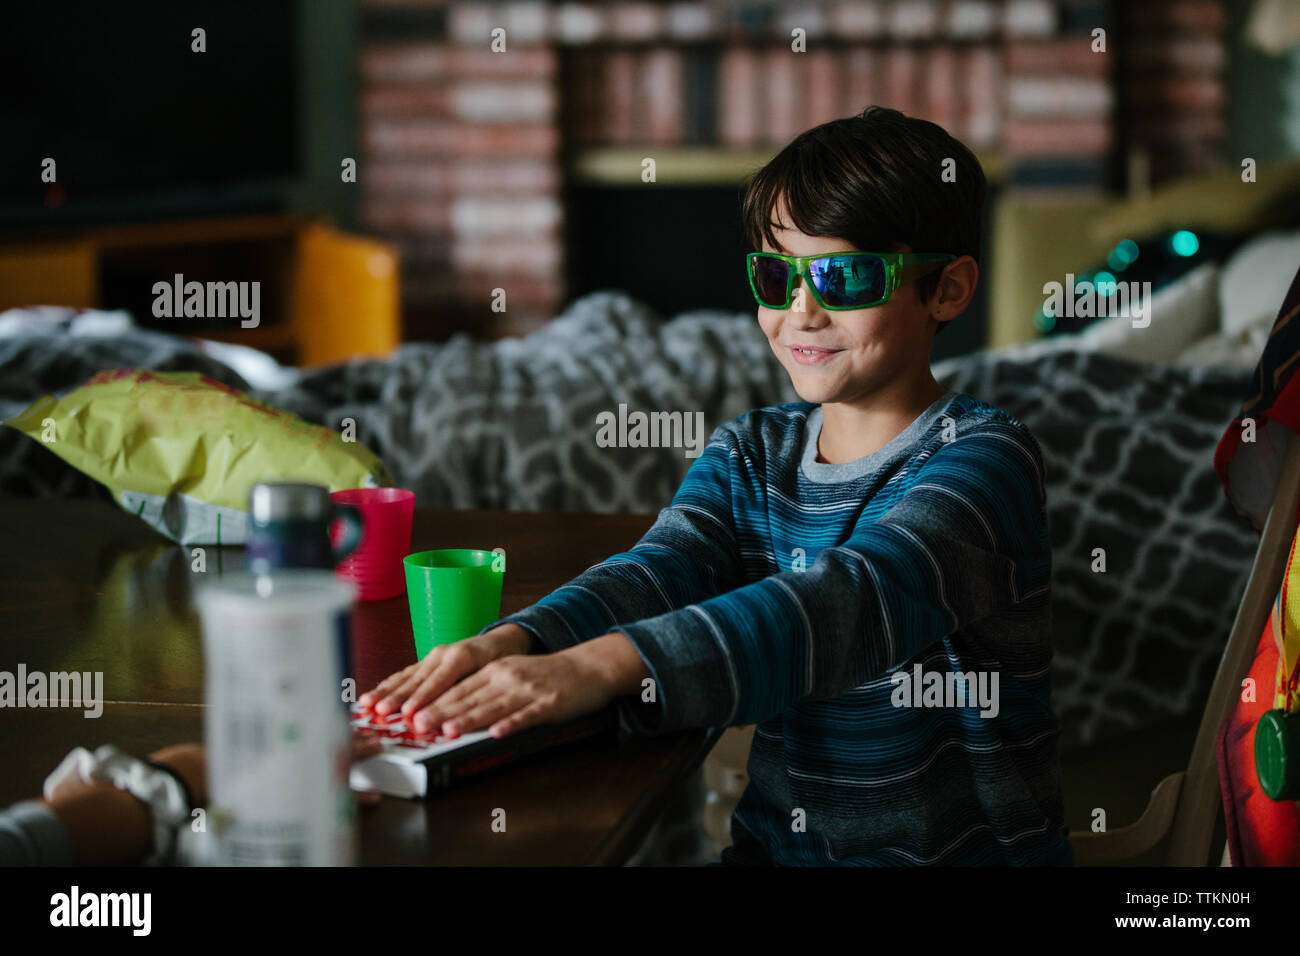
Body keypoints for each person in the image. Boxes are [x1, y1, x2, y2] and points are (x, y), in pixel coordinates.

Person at [361, 106, 1072, 866]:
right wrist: (516, 642)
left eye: (844, 276)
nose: (802, 311)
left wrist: (594, 667)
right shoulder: (750, 452)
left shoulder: (984, 457)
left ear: (949, 290)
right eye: (777, 274)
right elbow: (657, 570)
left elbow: (847, 602)